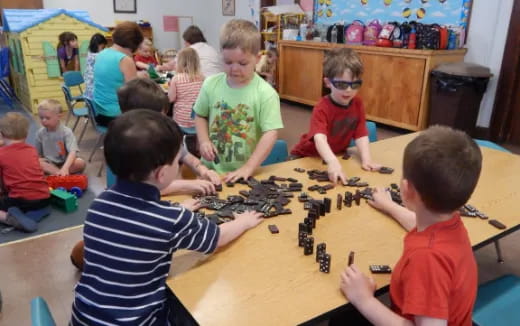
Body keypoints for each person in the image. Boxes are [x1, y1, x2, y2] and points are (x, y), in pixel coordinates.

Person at [70, 110, 263, 325]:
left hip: (83, 318)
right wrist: (243, 221)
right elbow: (217, 238)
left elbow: (137, 223)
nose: (179, 165)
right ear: (162, 174)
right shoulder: (171, 219)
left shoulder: (99, 204)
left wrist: (178, 210)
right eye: (177, 162)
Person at [338, 126, 482, 326]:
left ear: (405, 189)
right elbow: (420, 225)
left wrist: (365, 300)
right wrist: (390, 206)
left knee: (343, 318)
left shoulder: (427, 258)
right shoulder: (450, 222)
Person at [194, 19, 283, 183]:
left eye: (242, 63)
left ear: (257, 58)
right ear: (221, 55)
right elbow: (200, 115)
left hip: (244, 173)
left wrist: (249, 167)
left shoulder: (266, 93)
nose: (234, 68)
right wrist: (204, 141)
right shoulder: (210, 84)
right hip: (210, 170)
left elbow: (270, 133)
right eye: (228, 62)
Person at [290, 48, 381, 184]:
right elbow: (319, 139)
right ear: (328, 83)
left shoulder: (358, 104)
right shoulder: (322, 107)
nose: (349, 90)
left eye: (355, 84)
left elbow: (361, 134)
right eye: (341, 84)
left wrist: (367, 160)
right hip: (306, 156)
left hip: (334, 156)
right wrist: (332, 161)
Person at [118, 78, 221, 194]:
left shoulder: (163, 136)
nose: (163, 122)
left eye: (163, 116)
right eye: (157, 118)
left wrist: (203, 171)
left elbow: (187, 157)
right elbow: (143, 189)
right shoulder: (128, 147)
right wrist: (187, 184)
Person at [0, 113, 50, 233]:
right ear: (27, 134)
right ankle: (32, 211)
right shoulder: (32, 150)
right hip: (44, 198)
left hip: (22, 200)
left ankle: (9, 218)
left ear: (1, 135)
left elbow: (3, 183)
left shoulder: (1, 154)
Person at [92, 21, 147, 127]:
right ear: (134, 44)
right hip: (115, 115)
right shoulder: (125, 59)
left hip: (98, 111)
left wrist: (136, 75)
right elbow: (134, 92)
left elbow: (113, 77)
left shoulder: (102, 53)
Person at [36, 99, 86, 176]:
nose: (44, 121)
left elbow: (73, 152)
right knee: (37, 163)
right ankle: (60, 174)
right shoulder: (40, 133)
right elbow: (38, 154)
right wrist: (39, 160)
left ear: (59, 117)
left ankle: (57, 173)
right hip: (49, 163)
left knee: (80, 163)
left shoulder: (66, 132)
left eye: (47, 118)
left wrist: (65, 167)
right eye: (41, 118)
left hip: (65, 162)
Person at [168, 47, 204, 129]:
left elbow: (171, 99)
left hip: (181, 122)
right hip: (199, 122)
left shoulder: (176, 78)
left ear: (180, 63)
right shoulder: (202, 78)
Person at [83, 33, 107, 100]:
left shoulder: (89, 52)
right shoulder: (98, 56)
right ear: (98, 45)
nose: (103, 49)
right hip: (93, 82)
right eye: (102, 47)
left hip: (89, 81)